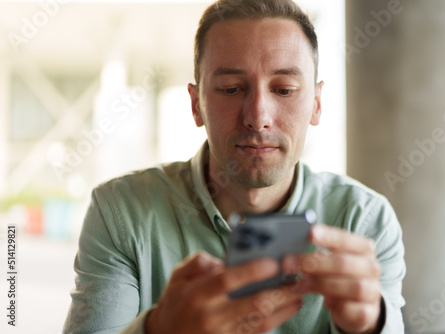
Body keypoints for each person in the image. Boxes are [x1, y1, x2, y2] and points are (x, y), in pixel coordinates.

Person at [63, 0, 406, 333]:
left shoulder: (364, 220)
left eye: (284, 90)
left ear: (316, 105)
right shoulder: (120, 212)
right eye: (231, 89)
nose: (258, 117)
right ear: (196, 105)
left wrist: (370, 327)